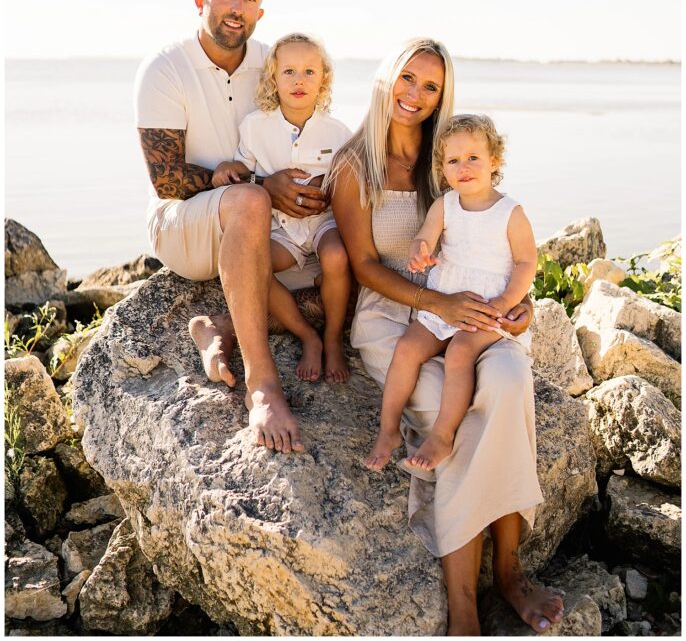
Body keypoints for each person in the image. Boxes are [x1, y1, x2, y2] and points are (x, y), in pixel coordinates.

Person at [329, 39, 564, 636]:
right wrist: (440, 302)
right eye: (406, 79)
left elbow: (500, 255)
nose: (415, 94)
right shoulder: (357, 164)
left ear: (443, 97)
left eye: (430, 86)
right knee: (452, 418)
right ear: (386, 79)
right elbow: (362, 265)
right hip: (398, 315)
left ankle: (510, 574)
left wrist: (518, 310)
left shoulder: (455, 153)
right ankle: (465, 604)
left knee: (509, 387)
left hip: (475, 314)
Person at [134, 0, 326, 454]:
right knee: (248, 202)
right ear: (201, 1)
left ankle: (219, 327)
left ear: (261, 12)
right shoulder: (165, 68)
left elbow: (315, 134)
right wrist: (263, 183)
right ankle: (262, 385)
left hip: (261, 227)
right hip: (183, 225)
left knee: (341, 262)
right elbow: (166, 180)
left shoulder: (273, 62)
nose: (237, 6)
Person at [365, 113, 537, 478]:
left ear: (495, 161)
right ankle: (388, 429)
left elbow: (526, 263)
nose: (465, 167)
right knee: (408, 347)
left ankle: (442, 435)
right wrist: (420, 251)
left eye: (474, 158)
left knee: (460, 351)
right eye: (454, 161)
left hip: (490, 303)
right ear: (443, 170)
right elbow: (425, 236)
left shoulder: (510, 212)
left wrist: (505, 303)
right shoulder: (445, 205)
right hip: (446, 294)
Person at [215, 32, 352, 383]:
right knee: (255, 266)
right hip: (281, 227)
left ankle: (333, 338)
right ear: (274, 77)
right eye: (289, 71)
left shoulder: (338, 132)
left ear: (323, 80)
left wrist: (328, 186)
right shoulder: (255, 126)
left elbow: (350, 180)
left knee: (337, 257)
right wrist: (227, 170)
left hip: (322, 222)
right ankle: (308, 335)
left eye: (309, 72)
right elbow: (243, 169)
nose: (299, 80)